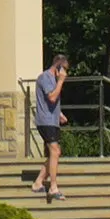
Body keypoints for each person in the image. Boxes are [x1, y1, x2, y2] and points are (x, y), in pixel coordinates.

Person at [30, 51, 70, 201]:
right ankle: (53, 187)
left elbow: (51, 101)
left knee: (56, 152)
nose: (66, 73)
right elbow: (52, 97)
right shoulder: (46, 78)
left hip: (52, 120)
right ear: (58, 67)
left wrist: (59, 114)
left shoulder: (53, 79)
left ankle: (38, 182)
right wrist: (60, 81)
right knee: (54, 150)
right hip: (45, 121)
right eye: (64, 69)